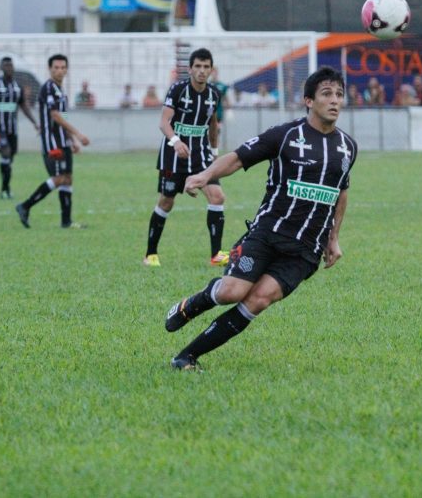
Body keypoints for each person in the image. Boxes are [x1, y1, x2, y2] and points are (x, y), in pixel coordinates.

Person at [164, 66, 357, 371]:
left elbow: (340, 192)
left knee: (259, 299)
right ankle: (191, 305)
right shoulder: (285, 135)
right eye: (327, 94)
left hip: (306, 249)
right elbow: (238, 158)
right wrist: (204, 175)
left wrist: (333, 238)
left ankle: (186, 357)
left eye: (339, 95)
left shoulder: (348, 147)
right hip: (267, 234)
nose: (335, 101)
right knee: (232, 292)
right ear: (308, 100)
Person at [144, 48, 228, 268]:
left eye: (206, 67)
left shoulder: (214, 94)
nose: (201, 71)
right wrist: (176, 141)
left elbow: (212, 125)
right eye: (197, 66)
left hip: (201, 156)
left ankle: (216, 255)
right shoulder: (178, 90)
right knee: (167, 201)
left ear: (211, 69)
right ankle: (150, 254)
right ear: (190, 68)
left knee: (217, 197)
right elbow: (164, 122)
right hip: (174, 155)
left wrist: (215, 154)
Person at [14, 54, 90, 229]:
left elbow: (63, 117)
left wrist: (71, 140)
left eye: (63, 67)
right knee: (59, 178)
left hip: (63, 140)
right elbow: (54, 115)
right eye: (56, 67)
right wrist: (78, 134)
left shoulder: (60, 90)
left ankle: (66, 221)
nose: (60, 71)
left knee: (68, 178)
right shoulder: (48, 88)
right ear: (50, 69)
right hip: (52, 142)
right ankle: (25, 206)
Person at [0, 57, 40, 199]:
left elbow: (23, 106)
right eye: (6, 66)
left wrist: (35, 123)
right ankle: (5, 189)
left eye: (11, 66)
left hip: (12, 128)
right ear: (1, 68)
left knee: (10, 157)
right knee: (6, 152)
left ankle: (5, 187)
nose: (9, 68)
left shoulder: (17, 86)